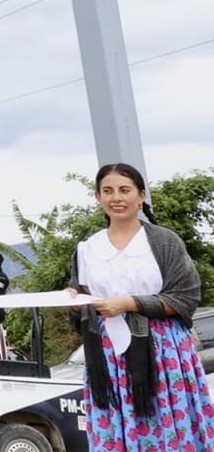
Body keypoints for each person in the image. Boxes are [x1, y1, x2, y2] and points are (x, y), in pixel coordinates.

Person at [69, 162, 214, 452]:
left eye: (125, 190)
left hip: (163, 350)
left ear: (141, 196)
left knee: (166, 421)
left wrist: (130, 303)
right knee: (116, 422)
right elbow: (85, 302)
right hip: (108, 354)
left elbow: (185, 297)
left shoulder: (163, 241)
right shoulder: (87, 249)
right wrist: (75, 301)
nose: (116, 198)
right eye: (107, 191)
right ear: (98, 197)